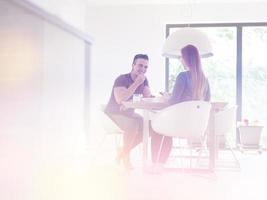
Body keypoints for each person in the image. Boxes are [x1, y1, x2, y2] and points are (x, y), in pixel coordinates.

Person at [151, 44, 211, 167]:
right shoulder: (205, 79)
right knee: (164, 126)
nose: (180, 59)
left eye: (181, 57)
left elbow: (173, 102)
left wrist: (167, 97)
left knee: (158, 128)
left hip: (180, 124)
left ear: (186, 59)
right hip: (197, 126)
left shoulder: (183, 76)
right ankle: (160, 163)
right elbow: (207, 102)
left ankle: (157, 163)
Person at [104, 54, 152, 169]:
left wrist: (145, 88)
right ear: (133, 65)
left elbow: (147, 96)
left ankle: (123, 150)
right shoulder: (122, 79)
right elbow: (120, 99)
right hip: (113, 114)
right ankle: (126, 157)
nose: (143, 69)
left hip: (128, 114)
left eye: (146, 67)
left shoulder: (144, 80)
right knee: (133, 125)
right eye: (140, 65)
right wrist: (136, 83)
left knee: (149, 127)